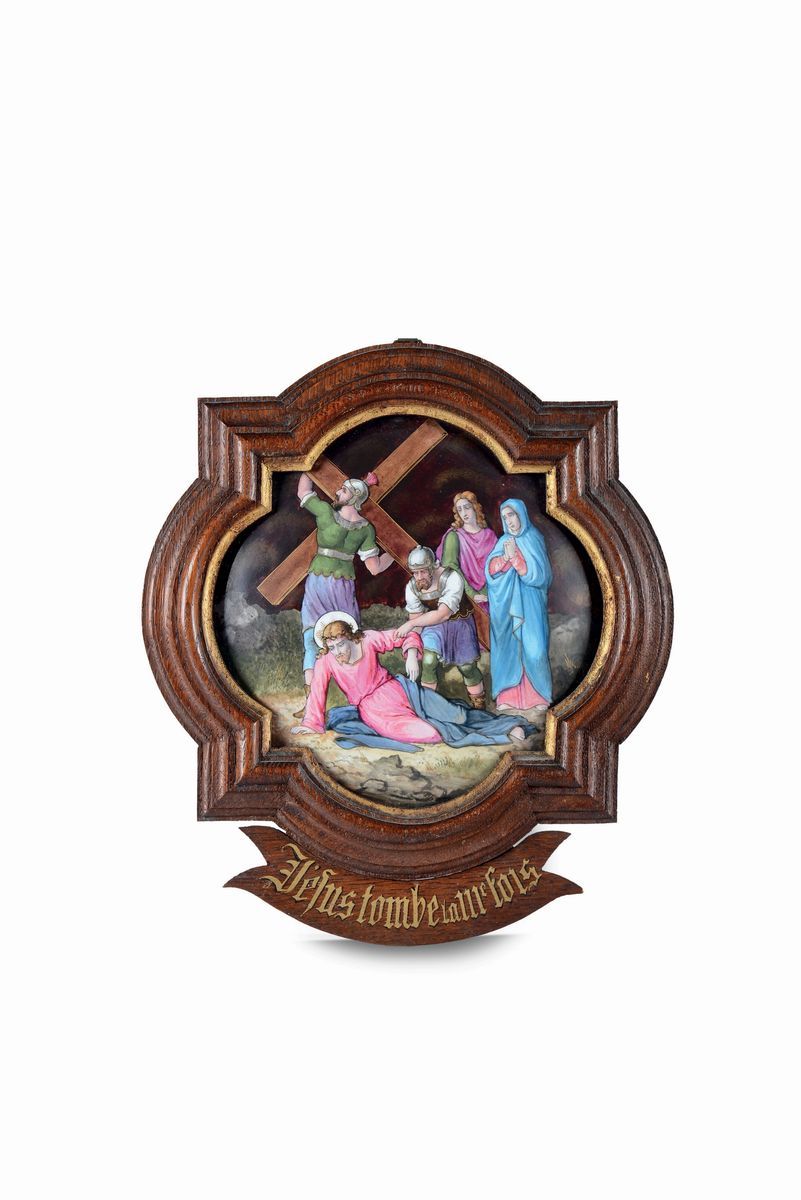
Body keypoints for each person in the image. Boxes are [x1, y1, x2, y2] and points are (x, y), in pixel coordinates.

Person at [292, 612, 530, 751]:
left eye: (340, 645)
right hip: (375, 710)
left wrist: (413, 655)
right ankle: (499, 737)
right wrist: (311, 724)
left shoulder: (367, 640)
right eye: (332, 647)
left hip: (400, 689)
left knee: (455, 714)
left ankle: (509, 726)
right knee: (431, 732)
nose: (337, 652)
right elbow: (317, 694)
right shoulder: (326, 661)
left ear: (351, 638)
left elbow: (407, 635)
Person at [295, 470, 393, 715]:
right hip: (342, 587)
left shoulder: (326, 513)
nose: (337, 492)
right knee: (349, 642)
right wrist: (396, 553)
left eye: (344, 490)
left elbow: (303, 491)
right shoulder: (366, 529)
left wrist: (307, 467)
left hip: (319, 584)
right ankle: (361, 701)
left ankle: (312, 705)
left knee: (313, 640)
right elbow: (375, 567)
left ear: (354, 497)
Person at [396, 545, 485, 707]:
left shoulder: (452, 578)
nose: (419, 577)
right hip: (433, 626)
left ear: (432, 567)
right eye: (415, 573)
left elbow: (443, 614)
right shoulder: (412, 587)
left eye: (423, 571)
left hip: (460, 625)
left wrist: (411, 623)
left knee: (467, 668)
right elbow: (416, 624)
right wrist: (412, 654)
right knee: (428, 661)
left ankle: (479, 705)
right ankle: (428, 707)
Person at [485, 499, 553, 712]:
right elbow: (491, 573)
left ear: (521, 514)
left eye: (512, 515)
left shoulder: (534, 538)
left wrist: (517, 560)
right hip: (507, 606)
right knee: (509, 648)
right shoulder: (503, 541)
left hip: (531, 604)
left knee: (535, 649)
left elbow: (542, 576)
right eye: (505, 517)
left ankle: (539, 695)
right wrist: (505, 558)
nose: (509, 521)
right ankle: (507, 696)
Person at [436, 491, 497, 613]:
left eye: (467, 507)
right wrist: (472, 594)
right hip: (467, 598)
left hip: (494, 595)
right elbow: (451, 568)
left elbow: (498, 566)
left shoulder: (490, 535)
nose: (464, 513)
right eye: (460, 509)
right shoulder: (454, 536)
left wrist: (492, 593)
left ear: (475, 508)